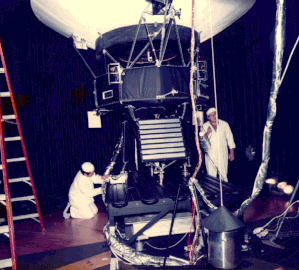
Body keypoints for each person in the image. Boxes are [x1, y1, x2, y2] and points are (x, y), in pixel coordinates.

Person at [202, 108, 236, 182]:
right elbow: (202, 141)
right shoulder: (204, 126)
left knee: (223, 176)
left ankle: (225, 192)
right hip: (210, 155)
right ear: (208, 117)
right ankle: (213, 193)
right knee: (211, 177)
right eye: (212, 115)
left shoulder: (224, 124)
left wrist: (232, 152)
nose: (214, 116)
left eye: (215, 114)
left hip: (222, 154)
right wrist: (207, 133)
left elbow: (230, 138)